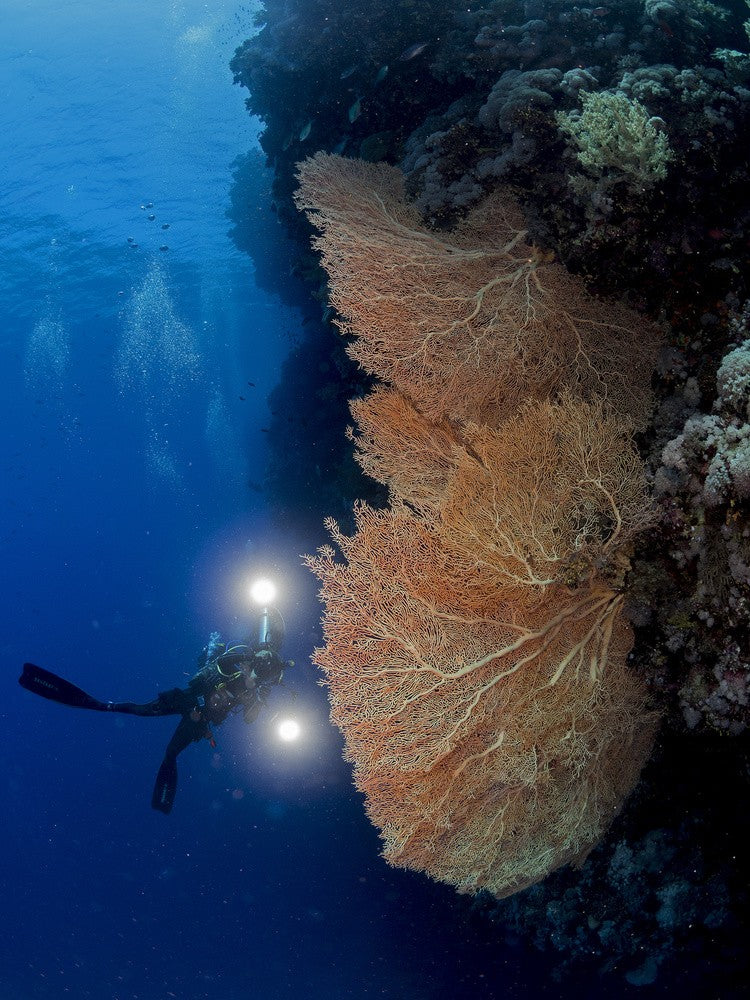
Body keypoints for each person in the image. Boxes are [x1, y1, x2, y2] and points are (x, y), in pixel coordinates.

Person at [19, 605, 291, 814]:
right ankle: (97, 704)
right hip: (187, 700)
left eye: (267, 669)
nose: (261, 668)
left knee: (171, 753)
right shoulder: (238, 658)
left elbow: (249, 718)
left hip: (201, 720)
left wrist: (256, 690)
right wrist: (238, 669)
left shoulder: (255, 690)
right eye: (262, 662)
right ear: (257, 656)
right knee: (137, 710)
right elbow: (200, 679)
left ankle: (162, 800)